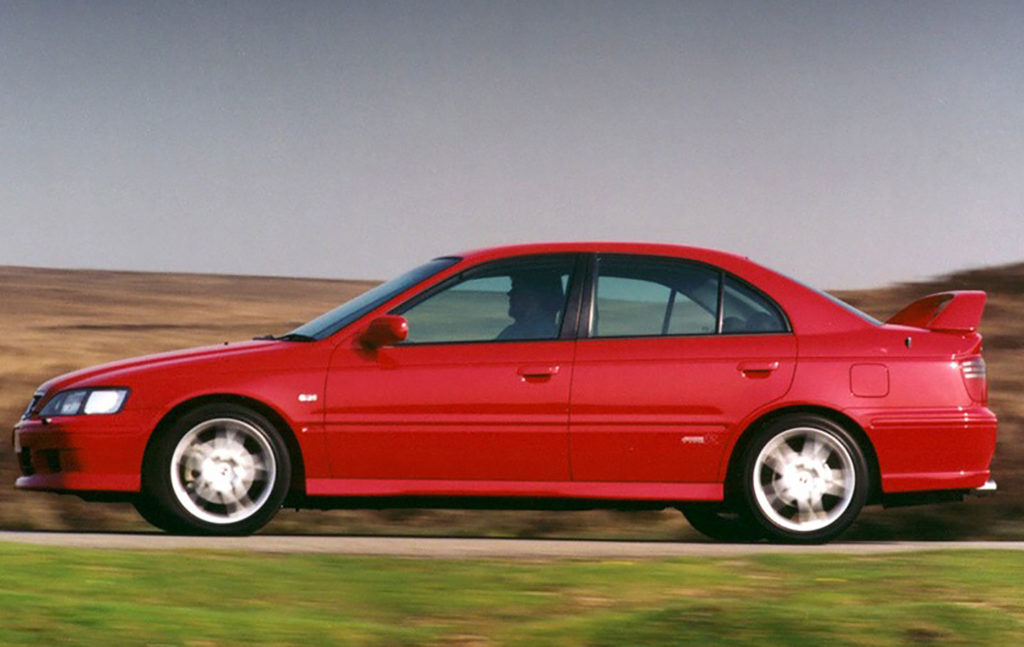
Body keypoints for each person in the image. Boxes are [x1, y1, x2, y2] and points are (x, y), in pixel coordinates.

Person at [497, 270, 565, 340]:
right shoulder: (512, 331)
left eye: (517, 288)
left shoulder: (543, 336)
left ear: (535, 296)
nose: (510, 293)